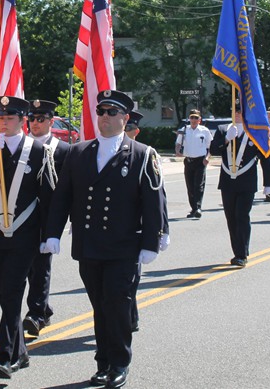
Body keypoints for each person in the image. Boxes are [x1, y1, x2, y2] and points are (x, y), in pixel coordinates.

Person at [43, 90, 166, 389]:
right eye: (101, 112)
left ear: (125, 118)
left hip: (123, 246)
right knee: (99, 305)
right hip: (89, 244)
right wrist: (52, 233)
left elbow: (153, 201)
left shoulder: (141, 154)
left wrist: (153, 240)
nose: (105, 117)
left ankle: (120, 362)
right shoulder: (78, 152)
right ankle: (103, 363)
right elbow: (63, 198)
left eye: (112, 113)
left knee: (118, 305)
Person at [0, 96, 57, 379]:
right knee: (3, 290)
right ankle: (22, 352)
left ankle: (7, 356)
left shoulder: (38, 151)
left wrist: (50, 235)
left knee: (12, 293)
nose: (4, 121)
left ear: (23, 120)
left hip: (25, 236)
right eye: (1, 117)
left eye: (10, 117)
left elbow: (49, 198)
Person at [22, 99, 70, 338]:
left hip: (48, 218)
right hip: (22, 217)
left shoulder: (63, 150)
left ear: (51, 121)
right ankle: (44, 307)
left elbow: (67, 189)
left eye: (40, 119)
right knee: (29, 267)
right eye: (31, 118)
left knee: (41, 266)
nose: (35, 123)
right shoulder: (24, 146)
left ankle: (36, 314)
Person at [126, 110, 170, 332]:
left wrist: (163, 229)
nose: (126, 133)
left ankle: (129, 314)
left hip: (140, 227)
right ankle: (128, 315)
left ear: (136, 131)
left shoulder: (147, 156)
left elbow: (158, 197)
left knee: (132, 277)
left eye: (129, 129)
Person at [220, 107, 260, 267]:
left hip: (247, 181)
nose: (237, 115)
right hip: (228, 181)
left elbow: (264, 154)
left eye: (240, 113)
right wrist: (226, 140)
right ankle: (237, 250)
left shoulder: (254, 132)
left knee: (242, 215)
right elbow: (214, 149)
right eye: (234, 113)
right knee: (231, 218)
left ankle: (242, 253)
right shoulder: (224, 129)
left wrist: (269, 182)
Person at [174, 109, 212, 218]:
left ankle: (198, 207)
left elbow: (210, 146)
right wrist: (177, 151)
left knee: (198, 185)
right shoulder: (184, 130)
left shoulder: (204, 131)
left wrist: (207, 157)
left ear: (200, 120)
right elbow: (178, 143)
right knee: (190, 186)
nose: (194, 120)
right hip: (189, 161)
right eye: (192, 117)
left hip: (200, 161)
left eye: (196, 118)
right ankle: (194, 209)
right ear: (189, 119)